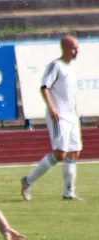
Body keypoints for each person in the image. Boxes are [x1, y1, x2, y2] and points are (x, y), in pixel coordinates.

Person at [21, 35, 82, 201]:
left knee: (74, 152)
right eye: (75, 47)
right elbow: (44, 87)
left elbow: (71, 95)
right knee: (60, 154)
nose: (77, 50)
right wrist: (52, 107)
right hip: (59, 115)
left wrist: (76, 115)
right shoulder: (55, 65)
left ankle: (69, 192)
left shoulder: (72, 69)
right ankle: (28, 181)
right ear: (67, 48)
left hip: (71, 116)